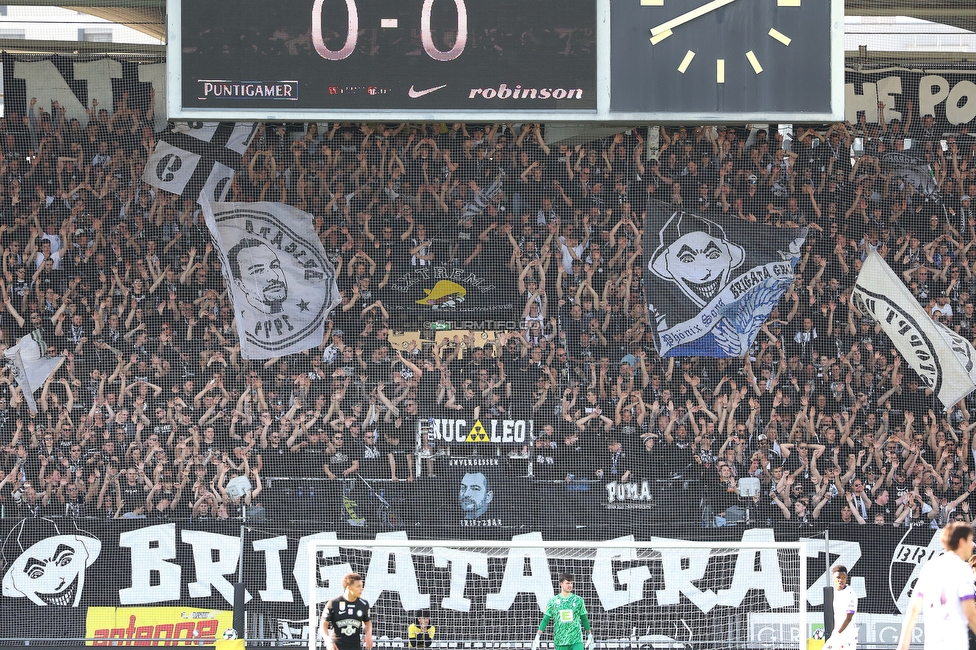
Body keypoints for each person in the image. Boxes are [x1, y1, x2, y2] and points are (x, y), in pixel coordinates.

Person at [896, 522, 976, 650]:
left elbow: (913, 609)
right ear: (961, 542)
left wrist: (903, 645)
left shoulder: (929, 566)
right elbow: (970, 612)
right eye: (970, 540)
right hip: (956, 642)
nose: (972, 545)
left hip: (933, 643)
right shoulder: (963, 569)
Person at [532, 573, 594, 650]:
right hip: (561, 640)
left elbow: (584, 618)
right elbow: (545, 619)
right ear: (561, 584)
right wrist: (538, 636)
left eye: (571, 583)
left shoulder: (578, 600)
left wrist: (589, 635)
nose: (570, 585)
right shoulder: (553, 601)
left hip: (576, 640)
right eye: (567, 583)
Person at [320, 572, 373, 650]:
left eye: (362, 586)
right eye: (358, 586)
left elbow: (367, 623)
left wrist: (368, 634)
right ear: (349, 588)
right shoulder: (333, 603)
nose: (361, 589)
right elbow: (323, 624)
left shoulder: (364, 604)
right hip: (336, 647)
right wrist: (328, 641)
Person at [825, 565, 857, 650]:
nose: (841, 580)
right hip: (838, 634)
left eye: (843, 578)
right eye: (838, 577)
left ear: (846, 578)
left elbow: (848, 618)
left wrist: (837, 634)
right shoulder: (836, 592)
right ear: (833, 578)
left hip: (847, 637)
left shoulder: (849, 594)